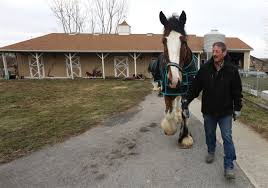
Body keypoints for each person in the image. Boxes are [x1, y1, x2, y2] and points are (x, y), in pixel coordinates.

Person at [182, 42, 243, 179]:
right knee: (209, 134)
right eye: (213, 51)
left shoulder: (232, 70)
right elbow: (195, 88)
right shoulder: (204, 69)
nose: (214, 54)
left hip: (225, 112)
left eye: (217, 51)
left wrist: (237, 108)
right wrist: (186, 101)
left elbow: (237, 91)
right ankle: (211, 151)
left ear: (224, 53)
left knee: (227, 137)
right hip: (209, 111)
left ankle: (229, 166)